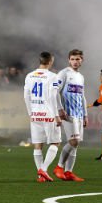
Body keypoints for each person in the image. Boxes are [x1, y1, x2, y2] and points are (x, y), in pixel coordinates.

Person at [23, 51, 62, 182]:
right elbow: (52, 96)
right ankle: (43, 169)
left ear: (40, 61)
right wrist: (56, 115)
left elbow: (26, 96)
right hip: (49, 114)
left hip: (35, 115)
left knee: (38, 145)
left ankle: (41, 176)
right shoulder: (53, 77)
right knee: (55, 142)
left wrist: (30, 113)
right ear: (50, 61)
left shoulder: (29, 76)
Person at [54, 49, 88, 182]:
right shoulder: (63, 73)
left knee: (76, 144)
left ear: (82, 60)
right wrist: (59, 109)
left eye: (77, 59)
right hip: (68, 113)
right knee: (74, 141)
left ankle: (69, 173)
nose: (75, 62)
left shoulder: (80, 76)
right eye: (72, 59)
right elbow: (55, 91)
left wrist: (85, 115)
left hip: (79, 114)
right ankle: (59, 167)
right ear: (69, 60)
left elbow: (82, 96)